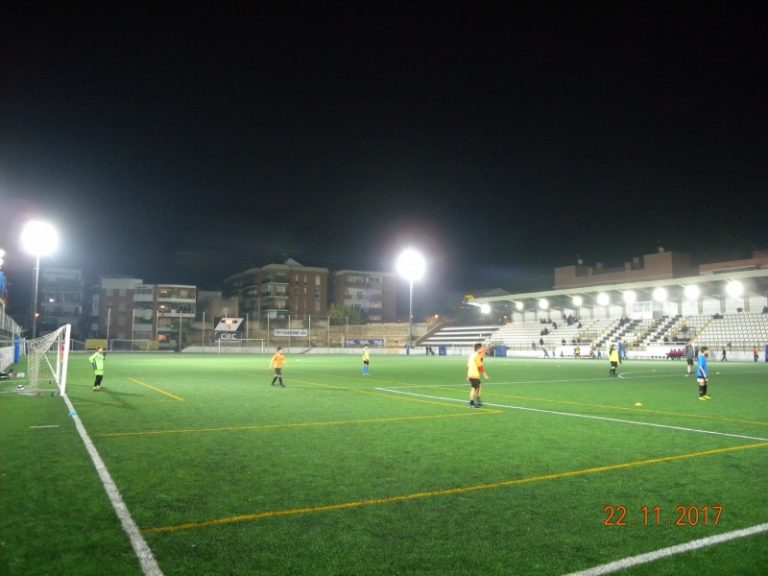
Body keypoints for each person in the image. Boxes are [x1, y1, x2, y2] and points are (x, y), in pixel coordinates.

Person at [467, 342, 489, 408]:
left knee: (478, 386)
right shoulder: (476, 356)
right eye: (482, 348)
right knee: (474, 389)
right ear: (479, 349)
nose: (482, 349)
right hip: (474, 374)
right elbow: (480, 366)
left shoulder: (472, 355)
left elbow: (468, 366)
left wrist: (468, 375)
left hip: (471, 373)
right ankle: (472, 403)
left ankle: (475, 401)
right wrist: (485, 375)